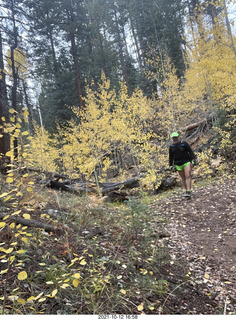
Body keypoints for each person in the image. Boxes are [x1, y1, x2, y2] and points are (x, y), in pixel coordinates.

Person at [169, 132, 197, 197]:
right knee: (183, 177)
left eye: (176, 137)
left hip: (186, 162)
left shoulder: (184, 144)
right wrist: (170, 165)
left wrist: (193, 160)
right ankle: (186, 191)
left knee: (188, 175)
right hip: (178, 164)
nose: (175, 139)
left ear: (179, 137)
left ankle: (188, 191)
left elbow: (190, 151)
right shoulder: (171, 147)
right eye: (173, 138)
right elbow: (170, 157)